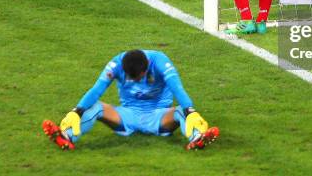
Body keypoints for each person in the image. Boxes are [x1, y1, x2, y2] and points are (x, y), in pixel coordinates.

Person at [42, 49, 219, 151]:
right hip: (127, 116)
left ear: (146, 68)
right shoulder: (116, 64)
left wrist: (191, 111)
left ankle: (197, 138)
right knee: (95, 106)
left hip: (159, 116)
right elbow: (96, 90)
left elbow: (177, 89)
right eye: (130, 77)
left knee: (182, 110)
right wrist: (76, 111)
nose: (134, 80)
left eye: (138, 77)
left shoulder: (160, 62)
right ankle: (66, 136)